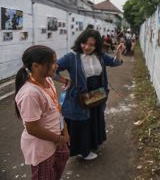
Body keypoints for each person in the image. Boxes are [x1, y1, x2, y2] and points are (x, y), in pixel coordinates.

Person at [54, 29, 125, 160]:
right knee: (82, 122)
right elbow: (53, 69)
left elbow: (115, 62)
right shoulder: (71, 57)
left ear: (97, 45)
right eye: (84, 43)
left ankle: (91, 144)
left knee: (94, 119)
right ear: (80, 42)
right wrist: (65, 80)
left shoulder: (99, 55)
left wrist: (118, 52)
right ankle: (83, 151)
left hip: (96, 94)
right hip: (79, 97)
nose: (87, 47)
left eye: (92, 45)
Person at [15, 45, 70, 179]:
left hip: (56, 139)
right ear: (36, 66)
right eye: (52, 63)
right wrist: (59, 138)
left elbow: (56, 109)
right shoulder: (30, 94)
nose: (56, 66)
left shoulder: (48, 80)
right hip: (42, 149)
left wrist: (65, 132)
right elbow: (33, 129)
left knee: (58, 168)